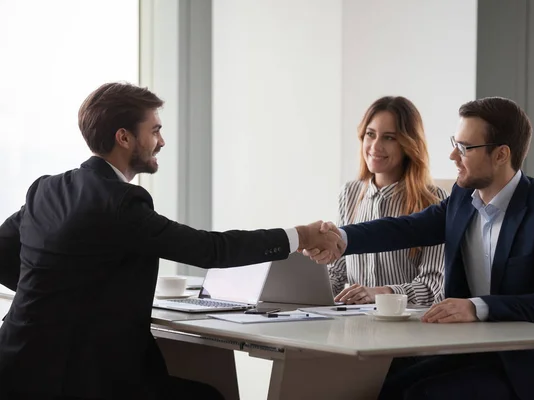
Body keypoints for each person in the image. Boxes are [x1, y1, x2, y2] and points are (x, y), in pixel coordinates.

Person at [0, 82, 343, 400]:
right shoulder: (121, 201)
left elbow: (2, 252)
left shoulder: (44, 189)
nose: (161, 141)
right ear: (124, 137)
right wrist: (301, 235)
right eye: (155, 130)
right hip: (88, 379)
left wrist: (59, 296)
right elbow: (210, 249)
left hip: (16, 367)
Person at [304, 97, 534, 400]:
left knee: (423, 395)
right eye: (455, 142)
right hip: (470, 352)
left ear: (501, 154)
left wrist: (476, 306)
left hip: (530, 369)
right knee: (380, 386)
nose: (453, 155)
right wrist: (341, 238)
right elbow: (405, 228)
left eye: (465, 147)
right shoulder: (463, 198)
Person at [329, 96, 446, 306]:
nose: (375, 146)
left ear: (408, 144)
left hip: (410, 330)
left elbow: (432, 286)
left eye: (389, 138)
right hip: (357, 326)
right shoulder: (350, 193)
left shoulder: (434, 200)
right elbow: (339, 270)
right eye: (370, 134)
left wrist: (380, 294)